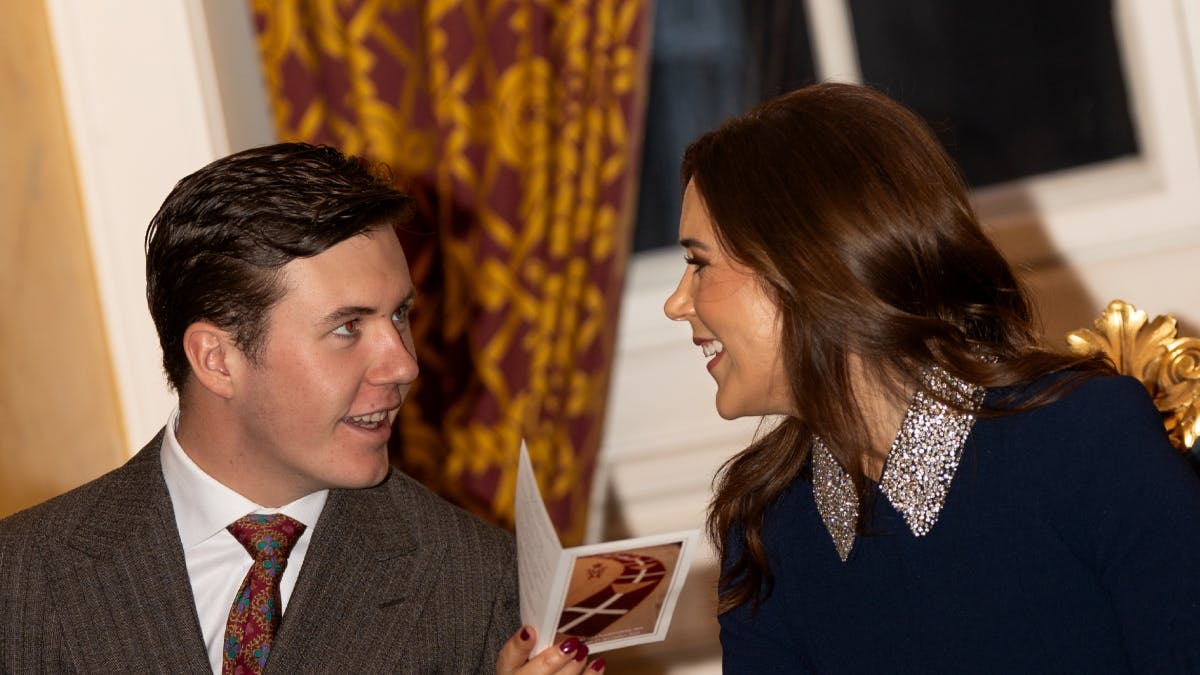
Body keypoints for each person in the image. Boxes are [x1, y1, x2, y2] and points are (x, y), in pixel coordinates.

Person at [0, 143, 604, 675]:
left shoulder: (481, 586)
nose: (404, 365)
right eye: (348, 327)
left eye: (400, 316)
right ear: (216, 359)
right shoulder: (20, 576)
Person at [663, 82, 1200, 673]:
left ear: (805, 266)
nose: (677, 303)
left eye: (699, 263)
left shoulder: (1082, 441)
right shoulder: (768, 529)